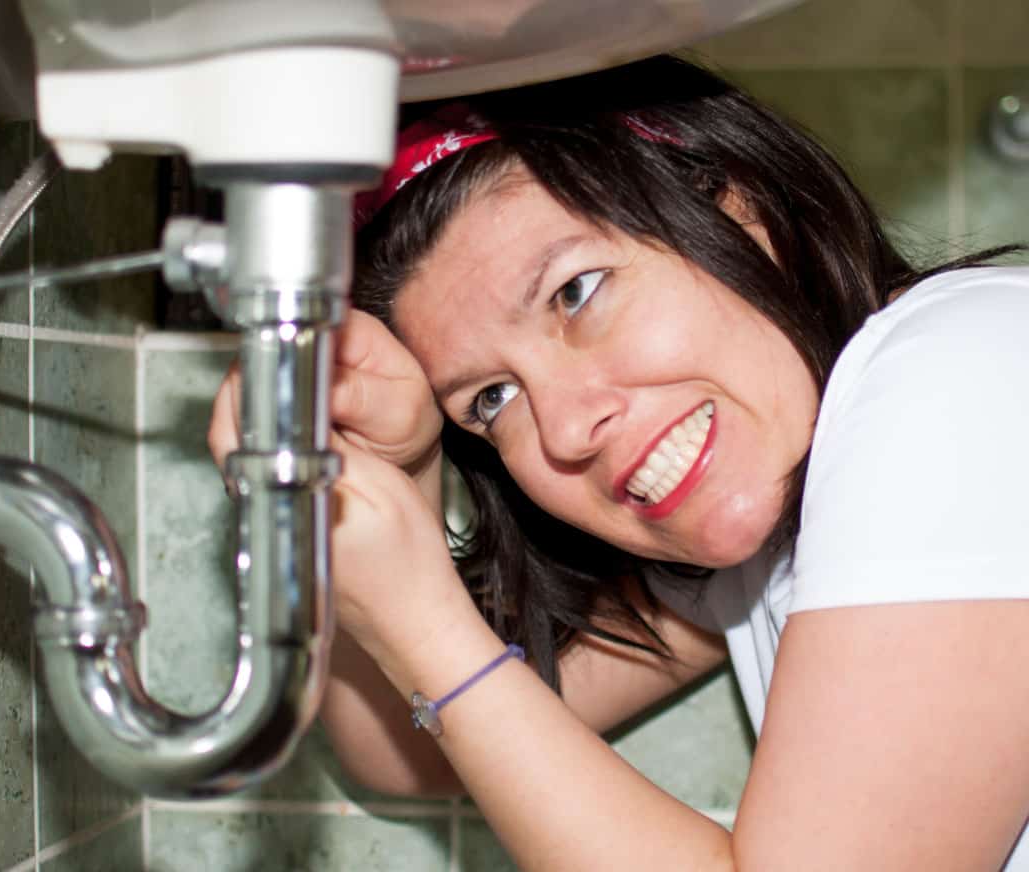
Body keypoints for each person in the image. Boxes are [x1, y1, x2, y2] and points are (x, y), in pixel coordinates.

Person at [208, 55, 1029, 870]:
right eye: (491, 398)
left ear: (736, 204)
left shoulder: (956, 372)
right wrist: (401, 476)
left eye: (576, 292)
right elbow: (407, 755)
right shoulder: (776, 524)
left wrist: (426, 622)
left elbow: (445, 692)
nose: (565, 428)